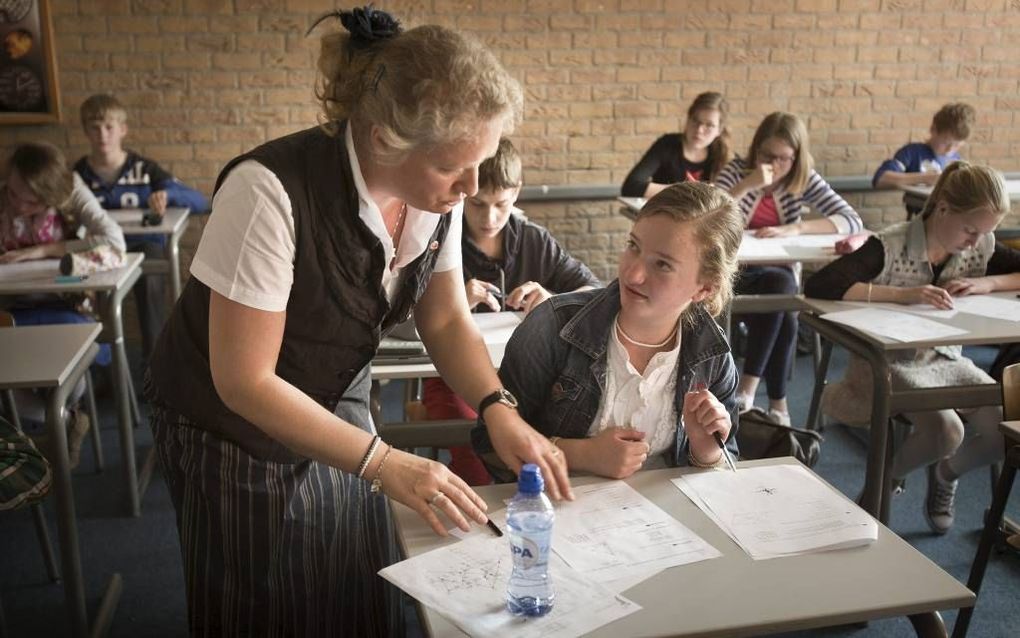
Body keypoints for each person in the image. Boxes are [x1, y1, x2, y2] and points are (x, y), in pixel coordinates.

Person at [144, 7, 570, 635]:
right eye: (456, 168)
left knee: (355, 573)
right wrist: (383, 461)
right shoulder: (268, 191)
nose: (472, 186)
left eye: (481, 164)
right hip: (225, 424)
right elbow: (245, 381)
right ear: (380, 139)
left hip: (333, 393)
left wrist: (496, 405)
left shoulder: (436, 197)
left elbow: (447, 318)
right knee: (264, 596)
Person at [472, 182, 742, 481]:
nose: (633, 273)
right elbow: (489, 445)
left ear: (705, 287)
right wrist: (582, 456)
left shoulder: (712, 353)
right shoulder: (553, 326)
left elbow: (726, 464)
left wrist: (705, 453)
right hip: (559, 514)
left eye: (662, 264)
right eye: (633, 246)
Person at [805, 161, 1020, 534]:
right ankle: (883, 483)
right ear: (943, 209)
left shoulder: (979, 246)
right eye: (970, 229)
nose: (975, 241)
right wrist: (904, 295)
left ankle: (946, 473)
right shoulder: (891, 243)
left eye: (985, 232)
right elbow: (823, 285)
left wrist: (988, 284)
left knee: (1008, 428)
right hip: (888, 361)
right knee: (948, 431)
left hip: (944, 356)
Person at [421, 138, 601, 485]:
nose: (490, 218)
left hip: (522, 375)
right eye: (477, 205)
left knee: (544, 433)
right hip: (450, 377)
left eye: (501, 205)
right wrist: (458, 299)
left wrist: (551, 298)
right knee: (475, 449)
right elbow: (409, 317)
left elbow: (594, 290)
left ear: (516, 192)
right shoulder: (441, 237)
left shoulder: (534, 240)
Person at [714, 111, 864, 425]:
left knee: (783, 294)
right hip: (734, 276)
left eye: (785, 158)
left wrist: (796, 228)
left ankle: (751, 391)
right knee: (785, 304)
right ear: (756, 150)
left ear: (796, 157)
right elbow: (708, 213)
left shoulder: (802, 178)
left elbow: (851, 220)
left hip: (777, 275)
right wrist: (747, 184)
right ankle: (775, 401)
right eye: (768, 155)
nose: (776, 165)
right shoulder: (737, 171)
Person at [0, 142, 125, 464]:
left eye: (29, 201)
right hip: (9, 307)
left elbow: (114, 243)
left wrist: (45, 250)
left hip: (63, 304)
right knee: (12, 373)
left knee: (65, 361)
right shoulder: (5, 193)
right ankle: (58, 425)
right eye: (11, 193)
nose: (15, 204)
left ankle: (51, 427)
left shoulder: (72, 190)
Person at [73, 93, 210, 359]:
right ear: (85, 132)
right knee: (86, 292)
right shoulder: (78, 174)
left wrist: (167, 195)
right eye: (95, 127)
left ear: (122, 130)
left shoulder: (144, 168)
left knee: (151, 282)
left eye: (109, 127)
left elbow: (200, 202)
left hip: (145, 246)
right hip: (100, 250)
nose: (103, 134)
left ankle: (154, 365)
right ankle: (101, 368)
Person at [620, 91, 732, 198]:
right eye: (695, 120)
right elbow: (631, 187)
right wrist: (683, 190)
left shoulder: (722, 155)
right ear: (688, 119)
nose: (699, 130)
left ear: (719, 130)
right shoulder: (667, 144)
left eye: (709, 125)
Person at [873, 102, 976, 217]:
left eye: (957, 146)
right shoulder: (913, 153)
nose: (949, 150)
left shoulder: (956, 161)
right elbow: (881, 179)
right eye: (946, 142)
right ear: (933, 130)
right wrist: (925, 178)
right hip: (920, 215)